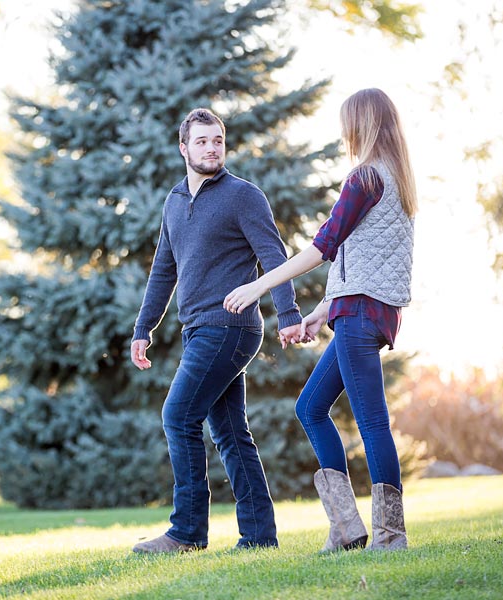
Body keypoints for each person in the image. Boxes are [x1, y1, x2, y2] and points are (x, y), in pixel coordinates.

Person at [224, 88, 417, 552]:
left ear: (362, 125)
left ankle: (391, 535)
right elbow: (364, 264)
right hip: (364, 313)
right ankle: (346, 527)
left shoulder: (364, 178)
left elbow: (322, 247)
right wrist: (318, 312)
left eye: (348, 123)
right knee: (310, 407)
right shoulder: (397, 181)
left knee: (371, 422)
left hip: (358, 317)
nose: (344, 132)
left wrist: (259, 285)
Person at [130, 108, 303, 554]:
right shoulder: (173, 201)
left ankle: (186, 532)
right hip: (197, 329)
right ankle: (260, 537)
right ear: (184, 147)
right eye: (202, 141)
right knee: (229, 432)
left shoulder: (243, 196)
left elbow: (274, 255)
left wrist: (287, 315)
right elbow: (163, 271)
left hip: (230, 326)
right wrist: (143, 328)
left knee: (178, 415)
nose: (212, 148)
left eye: (218, 141)